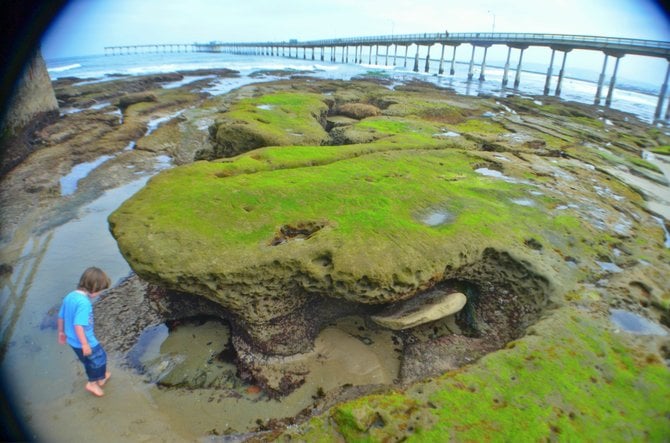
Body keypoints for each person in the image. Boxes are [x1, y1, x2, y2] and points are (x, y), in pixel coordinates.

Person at [57, 267, 111, 397]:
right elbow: (78, 325)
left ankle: (100, 376)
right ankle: (94, 382)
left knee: (88, 361)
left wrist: (61, 333)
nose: (99, 294)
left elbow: (61, 316)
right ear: (93, 288)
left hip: (72, 341)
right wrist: (85, 344)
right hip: (86, 341)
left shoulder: (70, 296)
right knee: (100, 359)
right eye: (100, 291)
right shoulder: (84, 303)